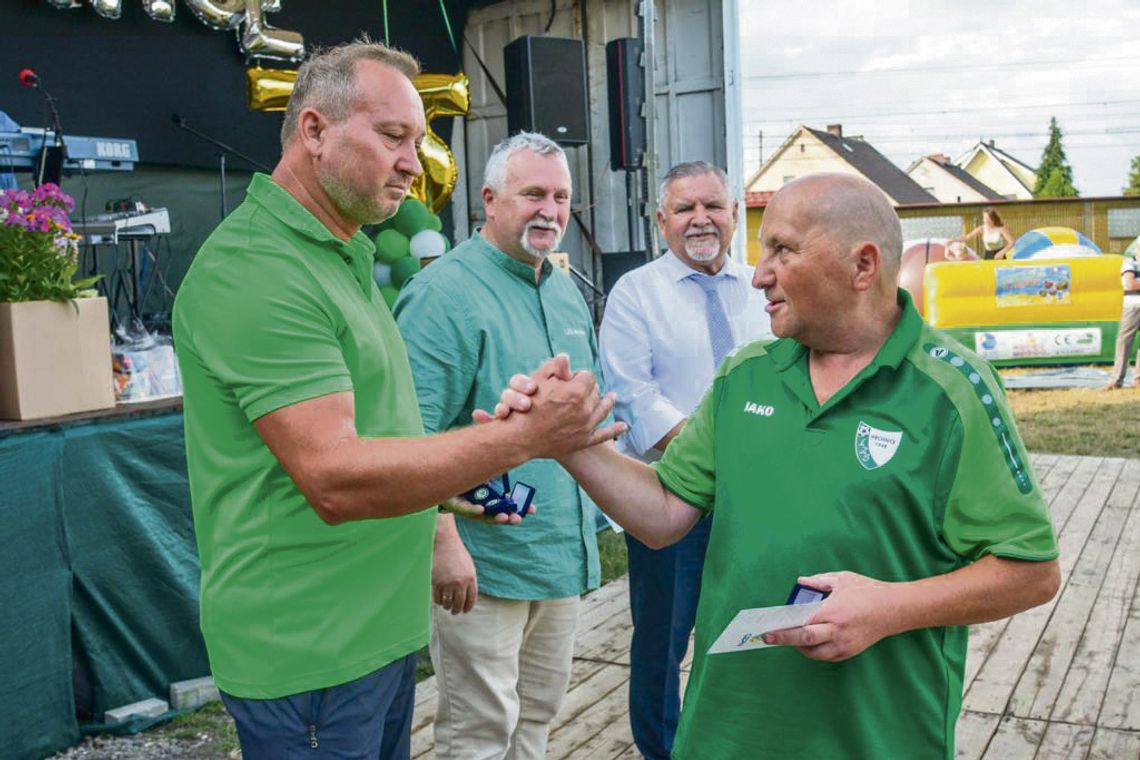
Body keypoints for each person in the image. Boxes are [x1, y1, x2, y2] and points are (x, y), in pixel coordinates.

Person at [494, 172, 1061, 759]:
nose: (759, 273)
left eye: (783, 251)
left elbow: (1030, 570)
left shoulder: (953, 389)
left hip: (878, 739)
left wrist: (888, 609)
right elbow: (663, 512)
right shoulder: (746, 374)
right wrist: (567, 442)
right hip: (723, 736)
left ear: (862, 266)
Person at [172, 42, 621, 760]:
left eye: (418, 139)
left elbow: (398, 430)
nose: (415, 162)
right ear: (314, 131)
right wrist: (522, 440)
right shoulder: (259, 268)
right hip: (310, 653)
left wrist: (471, 468)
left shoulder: (340, 253)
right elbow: (334, 475)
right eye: (393, 137)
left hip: (374, 638)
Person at [392, 132, 609, 759]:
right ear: (489, 199)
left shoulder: (564, 288)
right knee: (479, 733)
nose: (550, 209)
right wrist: (441, 540)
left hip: (556, 558)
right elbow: (410, 436)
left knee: (536, 722)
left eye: (562, 196)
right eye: (533, 193)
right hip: (482, 566)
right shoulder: (443, 293)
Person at [597, 160, 771, 760]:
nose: (700, 219)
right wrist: (719, 468)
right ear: (660, 220)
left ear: (733, 214)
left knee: (752, 631)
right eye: (684, 209)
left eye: (712, 206)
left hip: (758, 506)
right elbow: (635, 396)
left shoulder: (762, 291)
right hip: (672, 497)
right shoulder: (635, 294)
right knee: (662, 644)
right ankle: (662, 750)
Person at [1101, 250, 1140, 389]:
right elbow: (1131, 284)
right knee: (1124, 341)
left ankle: (1138, 380)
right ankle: (1116, 379)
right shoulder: (1130, 263)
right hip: (1133, 307)